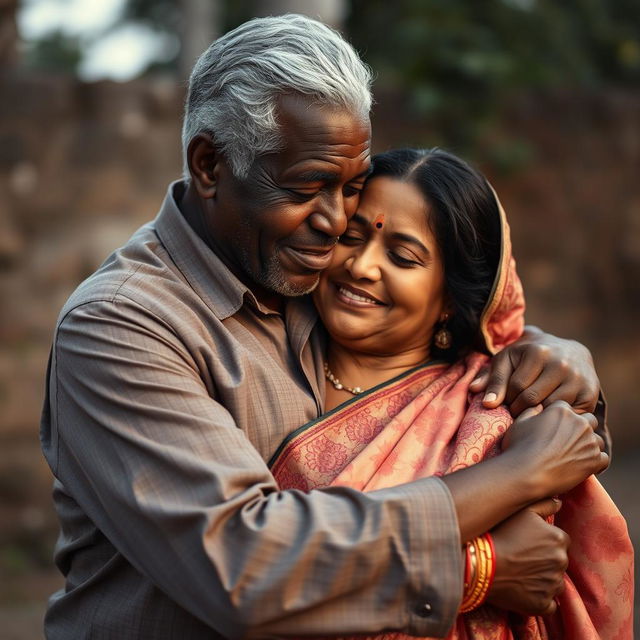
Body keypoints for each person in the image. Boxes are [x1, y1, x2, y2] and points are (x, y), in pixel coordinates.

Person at [40, 15, 610, 639]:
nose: (337, 223)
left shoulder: (302, 276)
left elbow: (449, 353)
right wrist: (482, 544)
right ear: (210, 166)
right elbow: (242, 565)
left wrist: (553, 355)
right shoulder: (122, 327)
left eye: (352, 188)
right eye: (307, 187)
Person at [272, 148, 633, 638]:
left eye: (402, 256)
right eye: (350, 239)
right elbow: (246, 566)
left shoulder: (496, 415)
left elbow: (562, 587)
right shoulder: (264, 362)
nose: (361, 266)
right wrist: (476, 569)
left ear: (449, 298)